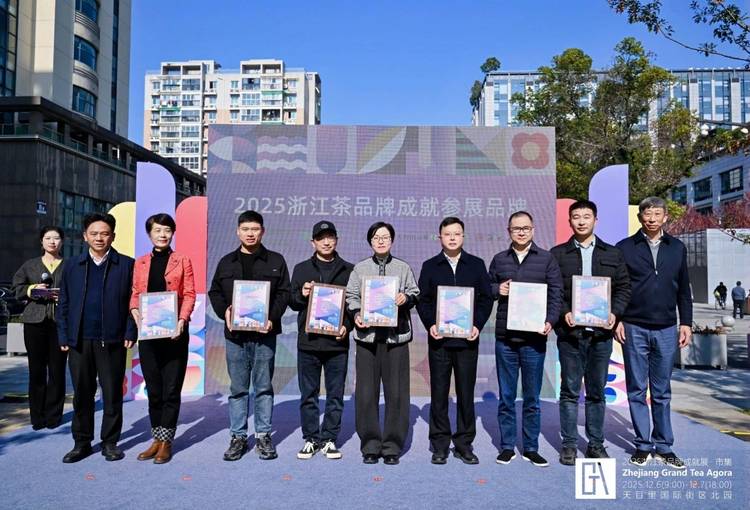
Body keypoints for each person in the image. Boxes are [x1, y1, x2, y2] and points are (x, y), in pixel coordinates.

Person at [550, 200, 631, 466]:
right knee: (569, 391)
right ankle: (569, 445)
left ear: (596, 220)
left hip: (601, 336)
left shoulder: (613, 253)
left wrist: (615, 314)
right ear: (570, 221)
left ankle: (596, 444)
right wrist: (564, 312)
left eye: (586, 216)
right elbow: (554, 291)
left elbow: (623, 288)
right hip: (570, 335)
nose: (581, 221)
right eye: (576, 216)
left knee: (597, 392)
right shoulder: (558, 254)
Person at [615, 196, 692, 469]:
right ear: (640, 217)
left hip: (667, 327)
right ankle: (642, 446)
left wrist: (686, 323)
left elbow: (684, 288)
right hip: (634, 325)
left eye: (657, 214)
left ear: (665, 217)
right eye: (647, 214)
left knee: (661, 391)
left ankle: (664, 446)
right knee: (637, 389)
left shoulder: (677, 248)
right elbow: (618, 287)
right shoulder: (625, 247)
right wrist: (617, 319)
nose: (652, 218)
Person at [208, 210, 290, 461]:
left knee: (264, 387)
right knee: (238, 388)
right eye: (245, 229)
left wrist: (271, 318)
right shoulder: (226, 262)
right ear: (238, 232)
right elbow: (214, 293)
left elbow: (284, 293)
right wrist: (225, 311)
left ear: (262, 231)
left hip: (265, 335)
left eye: (255, 229)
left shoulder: (276, 260)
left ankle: (263, 435)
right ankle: (238, 437)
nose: (250, 234)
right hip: (235, 336)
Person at [56, 213, 137, 463]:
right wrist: (64, 334)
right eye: (94, 233)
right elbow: (63, 302)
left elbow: (134, 302)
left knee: (112, 393)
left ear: (113, 236)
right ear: (85, 236)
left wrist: (131, 330)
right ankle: (81, 442)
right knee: (82, 393)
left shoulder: (126, 265)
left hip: (112, 339)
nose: (99, 238)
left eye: (104, 233)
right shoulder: (72, 265)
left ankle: (110, 442)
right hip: (79, 340)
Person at [488, 210, 562, 468]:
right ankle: (507, 446)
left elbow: (556, 294)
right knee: (506, 397)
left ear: (533, 230)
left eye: (525, 228)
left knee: (532, 398)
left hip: (534, 340)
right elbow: (486, 289)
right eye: (516, 228)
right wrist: (497, 289)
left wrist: (550, 321)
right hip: (506, 339)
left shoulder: (547, 259)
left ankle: (531, 448)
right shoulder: (499, 259)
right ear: (509, 231)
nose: (521, 232)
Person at [416, 217, 493, 465]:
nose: (452, 238)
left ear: (463, 236)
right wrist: (431, 324)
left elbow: (486, 299)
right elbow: (423, 300)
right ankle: (440, 444)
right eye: (447, 234)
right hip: (439, 342)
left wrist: (477, 325)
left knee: (466, 394)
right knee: (439, 394)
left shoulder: (476, 265)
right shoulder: (430, 266)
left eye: (457, 233)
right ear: (439, 237)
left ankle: (464, 444)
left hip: (467, 341)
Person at [346, 222, 419, 465]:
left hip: (395, 339)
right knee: (366, 394)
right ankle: (370, 445)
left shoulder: (403, 268)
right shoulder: (360, 269)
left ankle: (392, 447)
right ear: (370, 241)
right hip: (367, 339)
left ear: (392, 241)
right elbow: (351, 296)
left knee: (396, 394)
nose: (381, 241)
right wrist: (357, 313)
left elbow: (415, 293)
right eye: (376, 237)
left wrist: (405, 297)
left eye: (385, 237)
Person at [130, 213, 196, 464]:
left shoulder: (182, 260)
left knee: (171, 389)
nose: (162, 235)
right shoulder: (141, 262)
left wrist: (182, 320)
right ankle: (156, 439)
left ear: (173, 233)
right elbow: (135, 293)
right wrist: (135, 311)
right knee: (154, 389)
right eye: (157, 230)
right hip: (149, 335)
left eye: (167, 230)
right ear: (149, 234)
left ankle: (167, 442)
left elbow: (189, 293)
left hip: (175, 333)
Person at [289, 221, 353, 460]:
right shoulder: (301, 269)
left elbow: (354, 306)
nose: (326, 242)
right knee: (309, 394)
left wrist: (346, 326)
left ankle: (329, 439)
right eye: (321, 238)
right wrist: (302, 294)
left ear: (337, 240)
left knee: (336, 394)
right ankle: (311, 438)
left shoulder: (349, 270)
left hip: (337, 344)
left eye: (330, 237)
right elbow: (292, 302)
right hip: (309, 342)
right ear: (312, 242)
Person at [11, 226, 68, 430]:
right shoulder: (30, 265)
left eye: (56, 238)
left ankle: (54, 416)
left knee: (57, 370)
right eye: (48, 238)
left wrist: (64, 296)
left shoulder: (69, 265)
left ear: (62, 242)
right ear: (41, 241)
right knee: (36, 370)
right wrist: (32, 289)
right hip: (34, 323)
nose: (52, 241)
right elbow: (15, 288)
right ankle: (37, 416)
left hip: (60, 323)